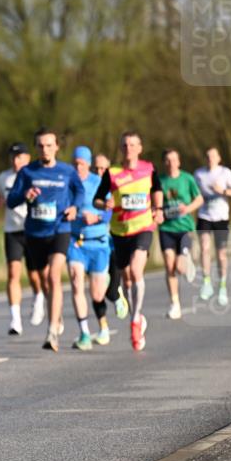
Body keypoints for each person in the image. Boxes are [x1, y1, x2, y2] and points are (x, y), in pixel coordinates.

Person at [7, 127, 84, 352]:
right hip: (34, 233)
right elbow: (11, 201)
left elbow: (79, 192)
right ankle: (56, 316)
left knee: (53, 276)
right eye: (40, 145)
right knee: (43, 280)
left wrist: (74, 207)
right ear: (36, 148)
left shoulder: (67, 171)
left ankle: (51, 332)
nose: (45, 149)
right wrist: (25, 195)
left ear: (57, 147)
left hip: (60, 229)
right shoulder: (27, 172)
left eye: (49, 145)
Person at [92, 131, 164, 351]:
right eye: (125, 145)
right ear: (120, 148)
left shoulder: (149, 169)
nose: (129, 148)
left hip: (142, 228)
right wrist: (105, 205)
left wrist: (158, 209)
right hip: (120, 231)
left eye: (133, 145)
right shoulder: (112, 173)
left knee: (136, 270)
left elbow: (157, 190)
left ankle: (134, 320)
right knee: (127, 279)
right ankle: (139, 317)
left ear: (140, 148)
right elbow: (96, 199)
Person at [0, 142, 46, 335]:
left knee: (35, 274)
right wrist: (0, 201)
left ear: (27, 158)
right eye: (13, 157)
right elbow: (0, 196)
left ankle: (39, 296)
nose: (16, 161)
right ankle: (15, 319)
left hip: (32, 229)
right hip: (12, 230)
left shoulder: (34, 175)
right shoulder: (3, 177)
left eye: (20, 157)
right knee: (13, 273)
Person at [67, 146, 111, 350]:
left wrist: (97, 217)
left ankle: (103, 326)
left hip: (99, 242)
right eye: (75, 163)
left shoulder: (99, 182)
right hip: (76, 242)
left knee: (96, 295)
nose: (78, 167)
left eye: (81, 164)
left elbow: (112, 211)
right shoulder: (67, 183)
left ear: (88, 164)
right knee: (76, 282)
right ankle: (84, 333)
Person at [194, 146, 231, 306]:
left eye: (213, 156)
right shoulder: (199, 174)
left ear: (218, 158)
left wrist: (223, 191)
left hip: (221, 217)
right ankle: (207, 282)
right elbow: (194, 193)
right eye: (208, 156)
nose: (210, 159)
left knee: (221, 254)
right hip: (204, 216)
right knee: (204, 247)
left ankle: (222, 286)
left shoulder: (225, 173)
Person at [159, 149, 203, 319]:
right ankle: (175, 304)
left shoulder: (187, 179)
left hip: (185, 227)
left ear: (179, 161)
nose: (171, 163)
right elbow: (155, 201)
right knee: (169, 266)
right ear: (165, 163)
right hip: (167, 228)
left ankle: (187, 262)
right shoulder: (160, 181)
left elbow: (199, 199)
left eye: (174, 159)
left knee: (179, 267)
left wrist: (188, 209)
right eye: (168, 160)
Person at [95, 153, 130, 322]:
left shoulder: (117, 186)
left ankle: (118, 296)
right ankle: (103, 328)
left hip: (115, 244)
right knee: (97, 291)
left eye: (103, 168)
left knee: (110, 291)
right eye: (96, 168)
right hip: (95, 245)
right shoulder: (89, 187)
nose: (99, 172)